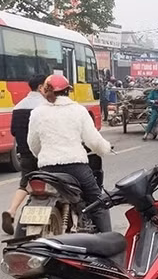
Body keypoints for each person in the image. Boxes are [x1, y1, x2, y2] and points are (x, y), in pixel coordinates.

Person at [27, 74, 113, 233]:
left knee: (31, 199)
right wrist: (105, 148)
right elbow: (93, 141)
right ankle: (111, 246)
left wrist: (45, 155)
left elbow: (33, 144)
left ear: (45, 91)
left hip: (47, 170)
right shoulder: (78, 110)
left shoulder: (37, 112)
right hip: (76, 168)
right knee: (98, 203)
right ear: (68, 91)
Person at [2, 74, 47, 235]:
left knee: (25, 184)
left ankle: (12, 210)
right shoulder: (45, 106)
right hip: (45, 155)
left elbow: (14, 131)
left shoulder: (18, 106)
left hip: (25, 153)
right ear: (41, 87)